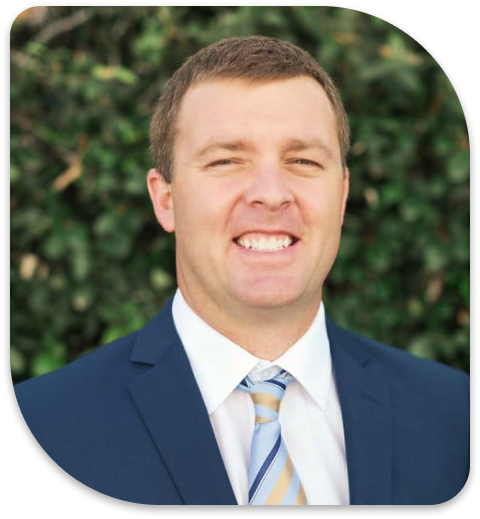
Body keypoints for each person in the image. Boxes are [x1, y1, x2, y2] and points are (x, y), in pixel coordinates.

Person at [14, 35, 469, 506]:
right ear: (165, 200)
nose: (271, 194)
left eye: (303, 161)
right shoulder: (46, 425)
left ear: (342, 195)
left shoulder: (453, 415)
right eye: (227, 160)